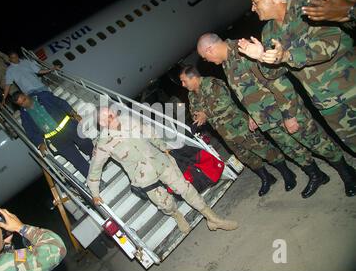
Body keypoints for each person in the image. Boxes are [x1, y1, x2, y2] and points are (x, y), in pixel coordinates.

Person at [198, 34, 355, 198]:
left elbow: (279, 82)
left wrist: (289, 115)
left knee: (316, 141)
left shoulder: (244, 50)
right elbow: (247, 91)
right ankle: (317, 175)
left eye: (204, 57)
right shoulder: (227, 62)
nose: (206, 60)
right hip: (266, 118)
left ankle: (348, 174)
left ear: (210, 49)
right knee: (292, 149)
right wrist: (253, 115)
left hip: (283, 110)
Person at [238, 0, 356, 154]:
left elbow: (328, 46)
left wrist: (286, 55)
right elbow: (273, 73)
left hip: (351, 90)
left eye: (255, 2)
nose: (253, 8)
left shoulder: (309, 7)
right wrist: (261, 56)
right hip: (326, 103)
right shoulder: (268, 32)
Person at [86, 106, 238, 235]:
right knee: (165, 204)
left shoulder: (128, 120)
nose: (111, 115)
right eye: (106, 115)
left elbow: (150, 133)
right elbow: (95, 169)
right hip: (145, 178)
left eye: (110, 111)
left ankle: (212, 218)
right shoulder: (103, 143)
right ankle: (176, 215)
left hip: (162, 162)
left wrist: (163, 147)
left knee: (186, 189)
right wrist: (94, 193)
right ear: (101, 122)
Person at [180, 65, 293, 197]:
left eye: (184, 81)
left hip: (239, 126)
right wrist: (197, 117)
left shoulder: (213, 83)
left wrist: (205, 113)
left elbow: (225, 101)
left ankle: (288, 173)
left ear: (193, 78)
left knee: (263, 149)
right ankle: (267, 178)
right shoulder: (191, 95)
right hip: (224, 132)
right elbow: (195, 112)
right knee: (245, 156)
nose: (182, 84)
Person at [12, 91, 93, 178]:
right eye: (21, 104)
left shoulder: (43, 96)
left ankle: (97, 160)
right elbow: (31, 132)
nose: (25, 103)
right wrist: (40, 144)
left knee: (85, 143)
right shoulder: (25, 116)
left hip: (69, 127)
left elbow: (61, 103)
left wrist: (73, 113)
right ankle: (95, 182)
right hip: (57, 140)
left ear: (25, 94)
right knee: (77, 161)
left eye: (24, 99)